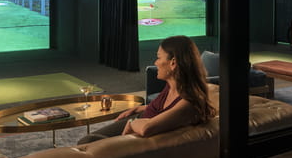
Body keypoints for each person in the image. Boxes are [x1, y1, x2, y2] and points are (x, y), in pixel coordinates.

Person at [78, 35, 216, 143]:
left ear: (173, 63)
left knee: (88, 141)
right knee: (91, 138)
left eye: (158, 57)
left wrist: (132, 123)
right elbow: (166, 109)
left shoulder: (188, 103)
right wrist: (139, 109)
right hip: (139, 119)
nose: (155, 62)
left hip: (138, 129)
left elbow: (147, 128)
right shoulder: (173, 85)